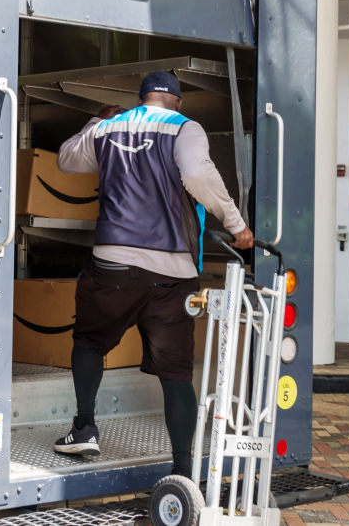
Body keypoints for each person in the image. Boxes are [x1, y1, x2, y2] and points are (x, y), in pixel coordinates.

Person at [51, 70, 253, 478]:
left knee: (90, 340)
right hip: (172, 272)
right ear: (176, 101)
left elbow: (66, 159)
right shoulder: (185, 127)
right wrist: (236, 224)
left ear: (142, 97)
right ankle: (183, 471)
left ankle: (85, 427)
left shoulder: (108, 127)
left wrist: (96, 120)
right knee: (177, 372)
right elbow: (197, 175)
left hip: (114, 264)